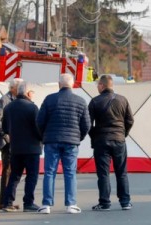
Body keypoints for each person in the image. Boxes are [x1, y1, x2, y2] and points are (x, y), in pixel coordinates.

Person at [36, 73, 91, 214]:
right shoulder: (80, 101)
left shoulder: (49, 99)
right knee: (70, 172)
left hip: (51, 141)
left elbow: (40, 121)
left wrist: (44, 135)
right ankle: (71, 204)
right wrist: (78, 137)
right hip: (71, 142)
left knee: (49, 172)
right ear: (72, 84)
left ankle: (46, 205)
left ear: (59, 84)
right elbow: (86, 124)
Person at [88, 74, 134, 211]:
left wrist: (95, 136)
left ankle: (104, 203)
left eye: (98, 85)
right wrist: (123, 134)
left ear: (102, 86)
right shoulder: (122, 100)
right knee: (122, 172)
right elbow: (130, 120)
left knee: (103, 173)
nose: (97, 87)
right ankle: (125, 202)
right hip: (119, 140)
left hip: (101, 141)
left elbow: (88, 124)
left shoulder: (95, 102)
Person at [2, 82, 41, 212]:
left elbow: (5, 128)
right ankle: (28, 203)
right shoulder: (32, 107)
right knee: (31, 176)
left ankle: (8, 202)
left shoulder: (9, 107)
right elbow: (38, 128)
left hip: (15, 148)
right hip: (32, 148)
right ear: (28, 93)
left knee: (15, 175)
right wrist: (41, 139)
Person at [0, 78, 23, 210]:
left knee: (11, 170)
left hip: (15, 140)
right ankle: (3, 201)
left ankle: (7, 200)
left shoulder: (15, 99)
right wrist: (4, 133)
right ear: (13, 87)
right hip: (6, 141)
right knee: (7, 171)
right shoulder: (4, 100)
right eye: (19, 87)